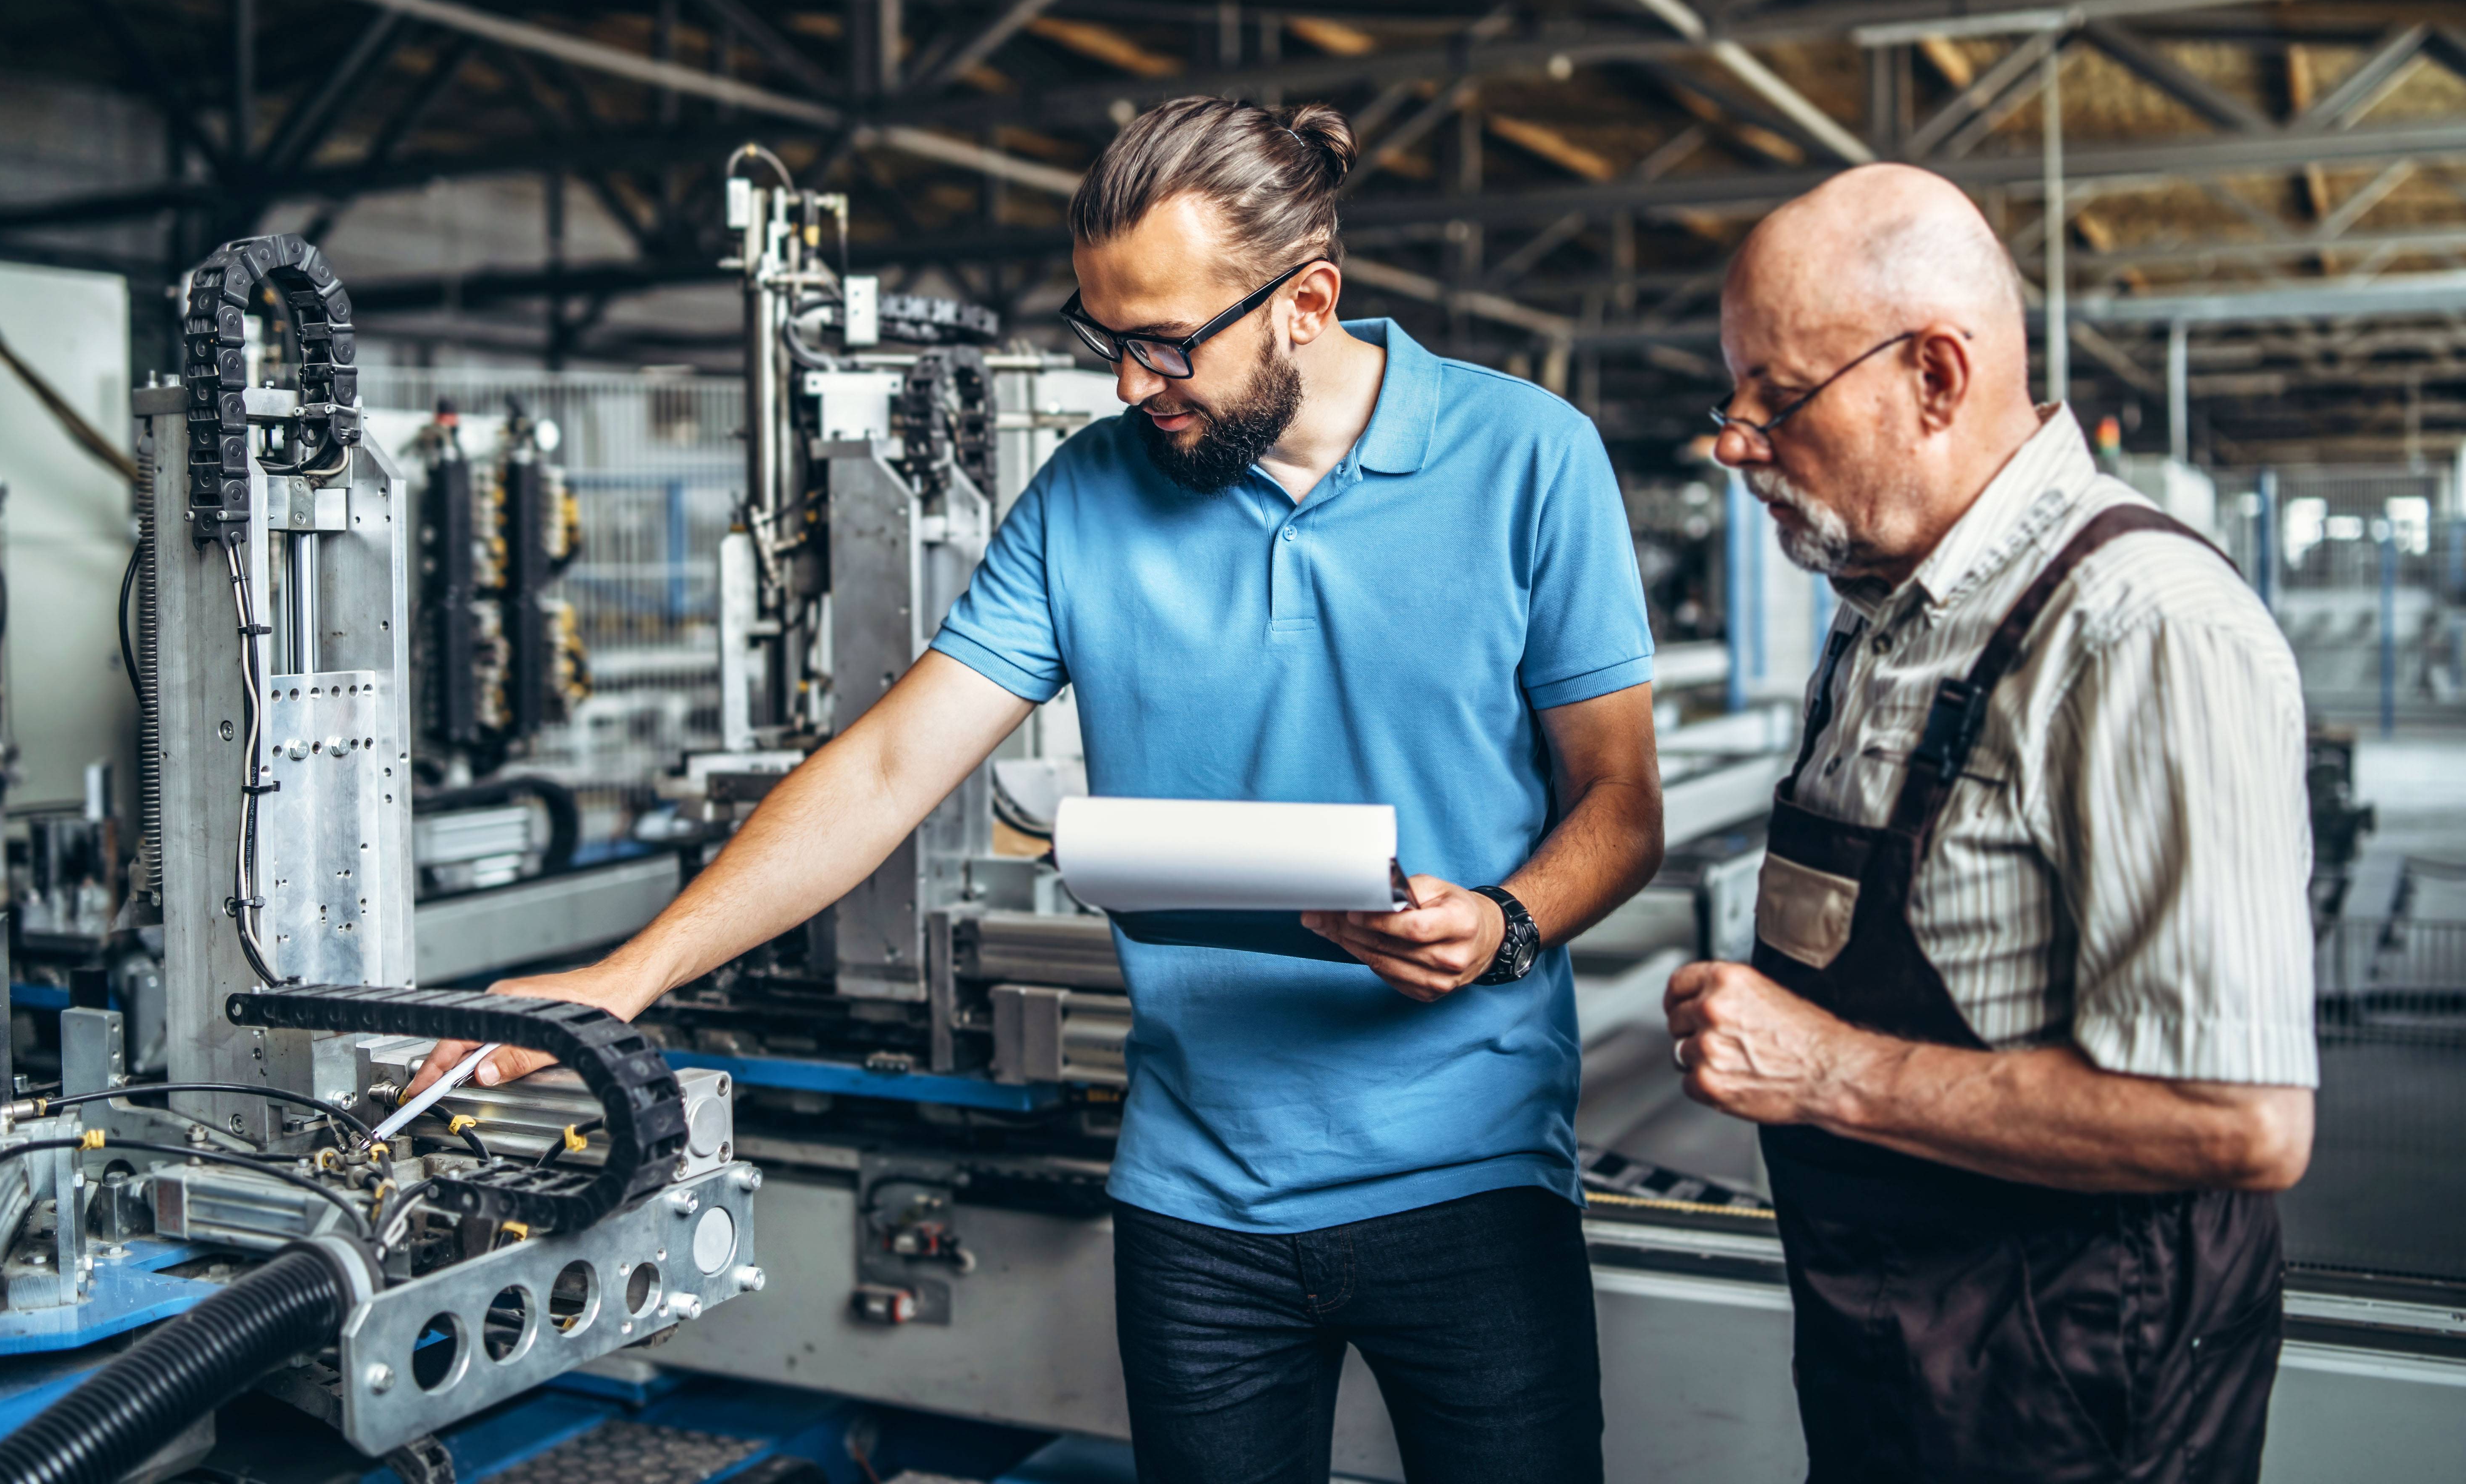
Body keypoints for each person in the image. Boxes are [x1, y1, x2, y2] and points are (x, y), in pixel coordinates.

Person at [412, 98, 1664, 1484]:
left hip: (1474, 1185)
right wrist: (626, 978)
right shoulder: (1087, 495)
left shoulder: (1526, 457)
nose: (1130, 387)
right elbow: (890, 765)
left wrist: (1505, 922)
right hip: (1199, 1204)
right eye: (1103, 336)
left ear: (1307, 301)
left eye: (1165, 344)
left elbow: (1619, 803)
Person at [1667, 163, 2316, 1483]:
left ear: (1938, 379)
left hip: (2075, 1403)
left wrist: (1821, 1071)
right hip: (1897, 1371)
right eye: (1729, 400)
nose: (1734, 442)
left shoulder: (2138, 632)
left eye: (1775, 398)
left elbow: (2239, 1119)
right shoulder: (1882, 615)